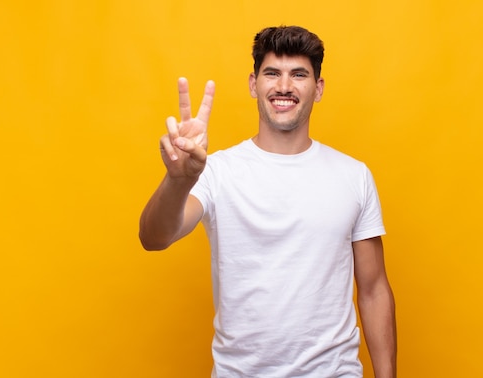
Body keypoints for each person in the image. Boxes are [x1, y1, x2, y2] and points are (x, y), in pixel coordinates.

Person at [139, 25, 396, 378]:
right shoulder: (216, 171)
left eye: (299, 75)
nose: (284, 87)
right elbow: (153, 238)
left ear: (318, 89)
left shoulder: (354, 176)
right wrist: (178, 179)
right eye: (272, 73)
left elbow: (373, 288)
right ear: (253, 84)